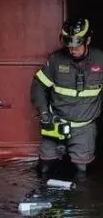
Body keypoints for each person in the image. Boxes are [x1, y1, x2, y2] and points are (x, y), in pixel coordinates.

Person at [31, 17, 103, 179]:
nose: (72, 50)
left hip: (84, 127)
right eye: (69, 46)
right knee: (45, 168)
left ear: (88, 40)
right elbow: (38, 85)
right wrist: (43, 113)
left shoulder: (100, 60)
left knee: (82, 171)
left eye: (77, 46)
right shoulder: (56, 60)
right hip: (55, 123)